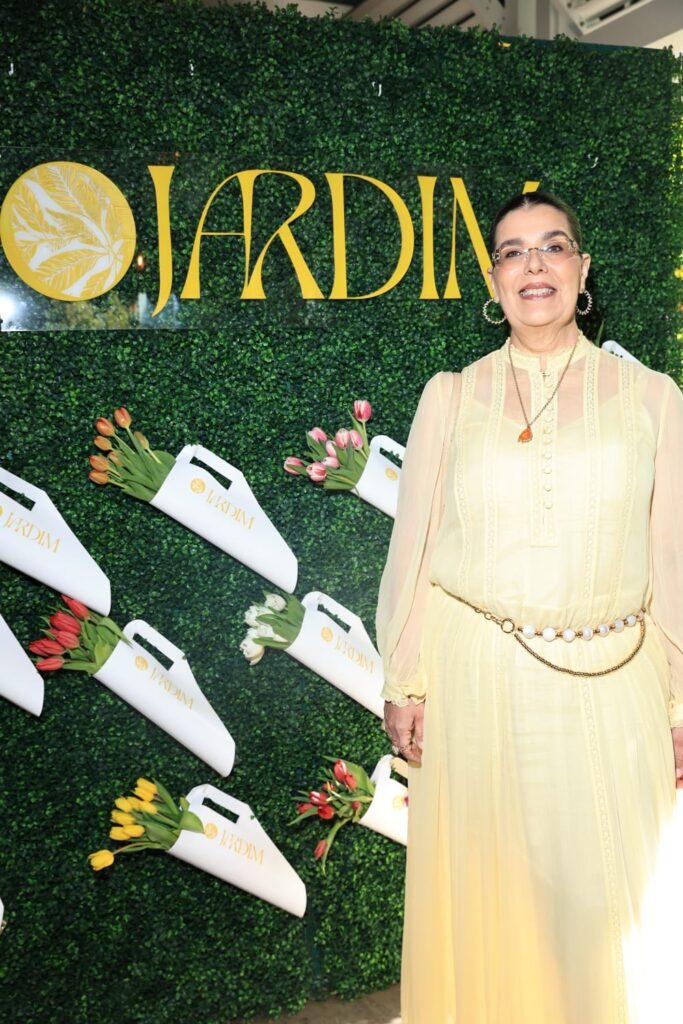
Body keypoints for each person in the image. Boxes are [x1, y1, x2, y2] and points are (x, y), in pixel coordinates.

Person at [376, 190, 683, 1024]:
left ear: (582, 270)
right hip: (476, 680)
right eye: (513, 252)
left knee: (611, 906)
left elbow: (672, 558)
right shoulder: (450, 395)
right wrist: (404, 678)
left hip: (616, 683)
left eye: (552, 247)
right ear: (493, 280)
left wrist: (678, 697)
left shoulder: (653, 398)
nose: (533, 265)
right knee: (496, 903)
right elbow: (414, 546)